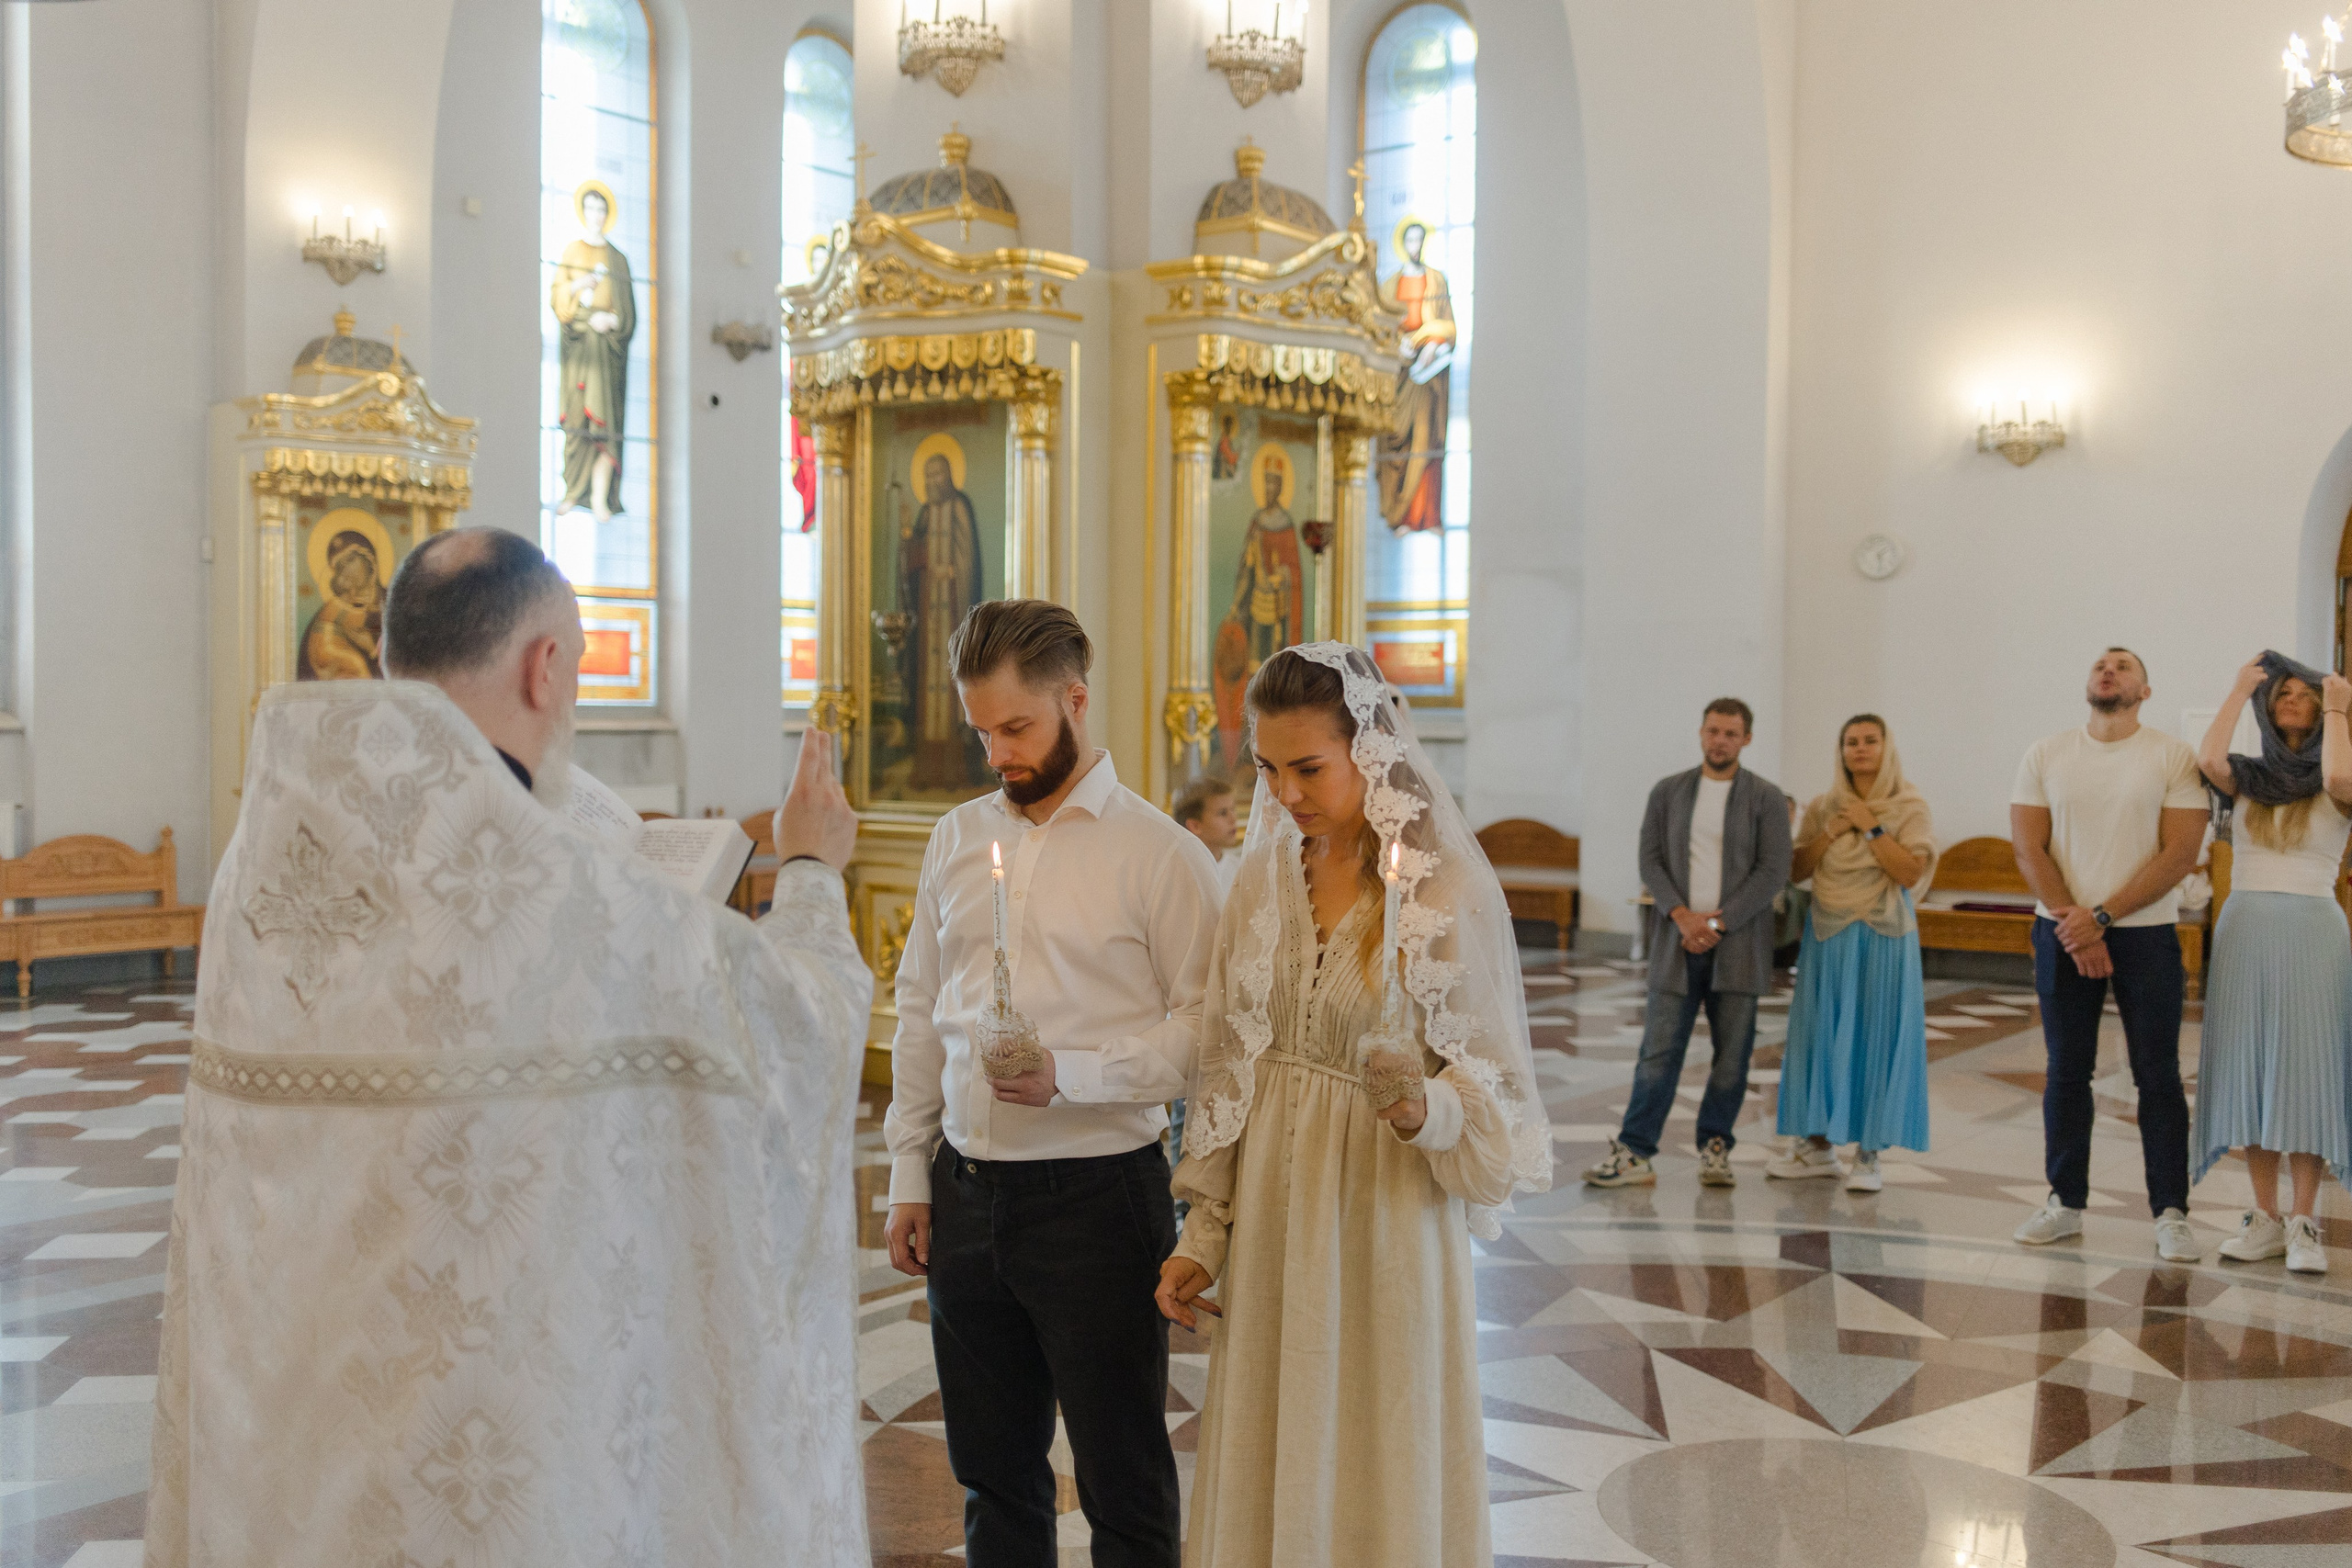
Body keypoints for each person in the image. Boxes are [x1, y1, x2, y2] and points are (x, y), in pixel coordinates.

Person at [147, 527, 875, 1565]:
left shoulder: (263, 873)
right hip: (505, 1476)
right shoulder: (563, 895)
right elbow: (798, 1027)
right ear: (545, 669)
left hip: (301, 1460)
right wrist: (809, 869)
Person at [1158, 643, 1551, 1568]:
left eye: (1308, 768)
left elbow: (1494, 1099)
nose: (1285, 792)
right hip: (1273, 1225)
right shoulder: (1256, 883)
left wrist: (1428, 1112)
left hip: (1384, 1222)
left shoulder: (1438, 893)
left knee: (1379, 1448)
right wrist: (1200, 1234)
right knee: (1272, 1442)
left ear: (1368, 753)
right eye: (1265, 768)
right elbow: (1228, 1073)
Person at [883, 599, 1222, 1568]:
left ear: (1075, 699)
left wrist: (1067, 1076)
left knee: (1122, 1478)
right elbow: (920, 1010)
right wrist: (911, 1174)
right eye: (981, 729)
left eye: (1017, 727)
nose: (996, 753)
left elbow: (1206, 1037)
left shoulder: (1160, 854)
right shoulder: (954, 839)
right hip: (965, 1196)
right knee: (993, 1475)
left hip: (1097, 1200)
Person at [2010, 647, 2208, 1261]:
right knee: (2067, 1069)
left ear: (2144, 690)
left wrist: (2102, 917)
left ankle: (2171, 1211)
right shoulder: (2046, 752)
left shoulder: (2171, 754)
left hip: (2143, 931)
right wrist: (2075, 922)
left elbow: (2178, 853)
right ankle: (2064, 1201)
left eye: (2123, 666)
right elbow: (2028, 845)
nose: (2108, 671)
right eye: (2101, 663)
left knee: (2158, 1074)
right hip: (2062, 929)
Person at [1584, 698, 1793, 1189]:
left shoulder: (1764, 797)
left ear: (1746, 739)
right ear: (1701, 733)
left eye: (1731, 733)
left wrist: (1719, 925)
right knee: (1658, 1050)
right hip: (1676, 945)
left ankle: (1716, 1146)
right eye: (1713, 730)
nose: (1720, 740)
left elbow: (1773, 871)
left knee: (1732, 1052)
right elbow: (1650, 859)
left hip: (1738, 947)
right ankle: (1636, 1151)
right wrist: (1682, 917)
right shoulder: (1670, 792)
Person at [2193, 651, 2352, 1276]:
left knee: (2307, 1069)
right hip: (2246, 926)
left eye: (2303, 692)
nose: (2291, 697)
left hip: (2313, 926)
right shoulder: (2250, 776)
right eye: (2280, 691)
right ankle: (2263, 1217)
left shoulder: (2338, 773)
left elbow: (2338, 781)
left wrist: (2340, 707)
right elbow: (2209, 759)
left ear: (2321, 706)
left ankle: (2305, 1219)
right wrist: (2237, 689)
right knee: (2254, 1067)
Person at [1767, 715, 1937, 1192]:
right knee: (1820, 1034)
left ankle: (1869, 1153)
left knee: (1873, 1036)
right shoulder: (1824, 806)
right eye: (1850, 742)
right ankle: (1817, 1147)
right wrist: (1830, 831)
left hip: (1883, 935)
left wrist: (1873, 829)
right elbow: (1797, 869)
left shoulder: (1910, 806)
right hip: (1827, 933)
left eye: (1870, 741)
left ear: (1887, 747)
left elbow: (1909, 874)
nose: (1860, 749)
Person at [551, 181, 636, 521]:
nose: (596, 216)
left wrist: (612, 321)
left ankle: (601, 498)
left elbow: (628, 314)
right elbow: (559, 299)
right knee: (578, 422)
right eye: (591, 209)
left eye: (602, 210)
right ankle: (573, 492)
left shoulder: (618, 259)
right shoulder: (573, 252)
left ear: (607, 214)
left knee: (606, 426)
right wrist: (578, 285)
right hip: (579, 351)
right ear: (583, 212)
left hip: (606, 353)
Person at [1173, 775, 1241, 895]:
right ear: (1195, 826)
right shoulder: (1177, 873)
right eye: (1223, 813)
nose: (1233, 818)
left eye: (1233, 809)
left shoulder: (1241, 869)